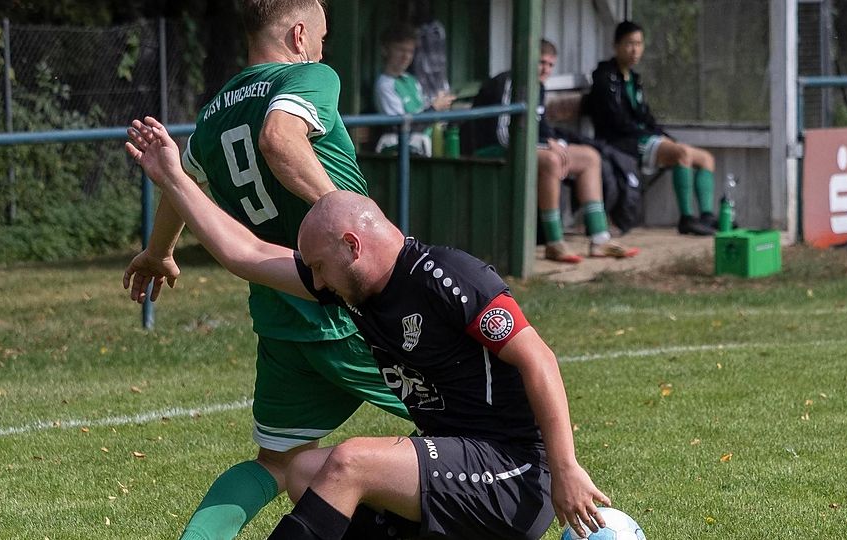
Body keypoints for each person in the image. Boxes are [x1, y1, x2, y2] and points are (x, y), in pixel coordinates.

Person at [125, 115, 613, 540]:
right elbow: (246, 253)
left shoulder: (448, 277)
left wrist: (566, 468)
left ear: (353, 246)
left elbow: (538, 357)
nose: (314, 281)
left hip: (515, 472)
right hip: (456, 462)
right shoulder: (351, 284)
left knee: (349, 461)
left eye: (318, 266)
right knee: (304, 470)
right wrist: (173, 177)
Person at [123, 1, 410, 538]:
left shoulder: (213, 114)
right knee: (471, 422)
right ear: (300, 34)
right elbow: (280, 139)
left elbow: (181, 185)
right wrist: (351, 224)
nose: (326, 49)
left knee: (278, 462)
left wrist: (160, 250)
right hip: (350, 306)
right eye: (323, 36)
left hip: (281, 316)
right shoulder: (308, 77)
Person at [470, 39, 639, 263]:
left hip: (522, 150)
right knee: (551, 160)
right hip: (488, 151)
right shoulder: (509, 82)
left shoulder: (537, 86)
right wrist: (546, 146)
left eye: (550, 65)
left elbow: (541, 127)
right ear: (528, 61)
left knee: (590, 157)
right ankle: (554, 242)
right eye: (541, 62)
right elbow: (501, 135)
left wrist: (555, 141)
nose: (545, 69)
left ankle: (600, 239)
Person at [587, 20, 718, 236]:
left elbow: (646, 116)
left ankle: (706, 217)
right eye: (629, 43)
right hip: (621, 142)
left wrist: (664, 137)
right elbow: (617, 122)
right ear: (616, 45)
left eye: (639, 43)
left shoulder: (634, 79)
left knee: (706, 159)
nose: (635, 50)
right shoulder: (604, 77)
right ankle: (686, 218)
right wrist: (655, 138)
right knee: (681, 154)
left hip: (642, 137)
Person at [373, 23, 455, 156]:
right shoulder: (385, 84)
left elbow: (420, 113)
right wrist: (434, 108)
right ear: (385, 50)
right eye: (400, 50)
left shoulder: (412, 80)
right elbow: (402, 127)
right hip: (402, 152)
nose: (406, 56)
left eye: (410, 51)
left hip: (424, 147)